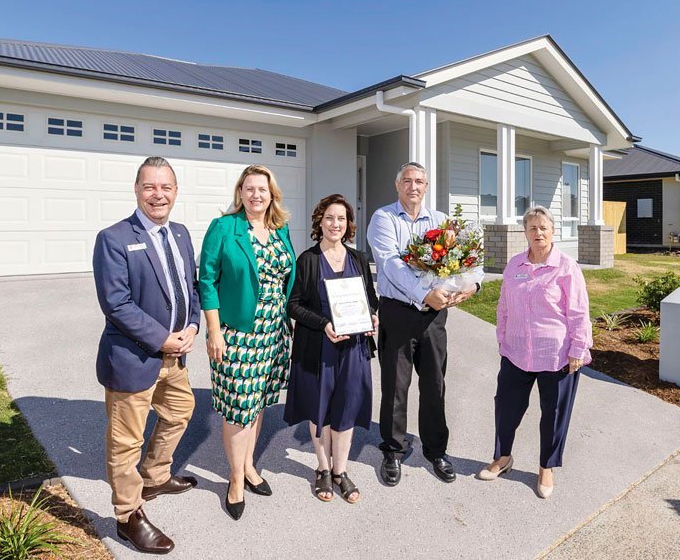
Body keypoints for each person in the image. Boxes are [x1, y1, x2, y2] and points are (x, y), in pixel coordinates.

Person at [92, 156, 201, 554]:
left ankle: (155, 476)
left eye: (166, 187)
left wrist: (191, 326)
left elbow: (190, 287)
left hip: (174, 357)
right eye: (150, 187)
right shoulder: (115, 238)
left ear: (175, 191)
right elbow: (117, 304)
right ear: (137, 190)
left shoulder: (182, 234)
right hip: (133, 358)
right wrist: (162, 339)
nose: (159, 194)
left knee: (179, 412)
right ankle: (128, 515)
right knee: (125, 442)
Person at [366, 161, 478, 486]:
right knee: (396, 387)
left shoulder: (442, 221)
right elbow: (390, 264)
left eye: (419, 181)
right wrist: (423, 293)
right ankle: (393, 450)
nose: (413, 186)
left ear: (426, 187)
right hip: (398, 313)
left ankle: (435, 450)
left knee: (434, 385)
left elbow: (460, 262)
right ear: (397, 185)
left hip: (433, 317)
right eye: (407, 181)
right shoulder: (383, 218)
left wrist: (470, 285)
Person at [199, 164, 295, 520]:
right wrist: (214, 330)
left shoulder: (280, 228)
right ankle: (236, 479)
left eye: (263, 190)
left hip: (274, 332)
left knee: (256, 406)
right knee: (239, 408)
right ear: (240, 192)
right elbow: (206, 280)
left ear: (272, 195)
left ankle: (250, 465)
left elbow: (287, 277)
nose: (256, 195)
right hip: (237, 333)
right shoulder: (224, 227)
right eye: (250, 188)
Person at [478, 205, 591, 499]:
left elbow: (579, 312)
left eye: (543, 227)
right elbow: (503, 305)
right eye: (532, 228)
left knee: (553, 413)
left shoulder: (566, 267)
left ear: (553, 231)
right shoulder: (515, 264)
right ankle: (503, 458)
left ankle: (546, 468)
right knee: (506, 407)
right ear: (525, 233)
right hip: (516, 352)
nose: (538, 233)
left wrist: (578, 348)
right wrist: (502, 338)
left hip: (556, 354)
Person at [284, 194, 379, 504]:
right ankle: (323, 468)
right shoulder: (308, 260)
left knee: (347, 408)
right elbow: (294, 306)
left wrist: (372, 317)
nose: (335, 224)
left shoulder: (359, 259)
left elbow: (370, 298)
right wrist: (324, 323)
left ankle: (341, 471)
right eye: (329, 218)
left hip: (353, 349)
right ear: (319, 222)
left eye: (341, 218)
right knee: (321, 410)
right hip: (318, 349)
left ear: (348, 224)